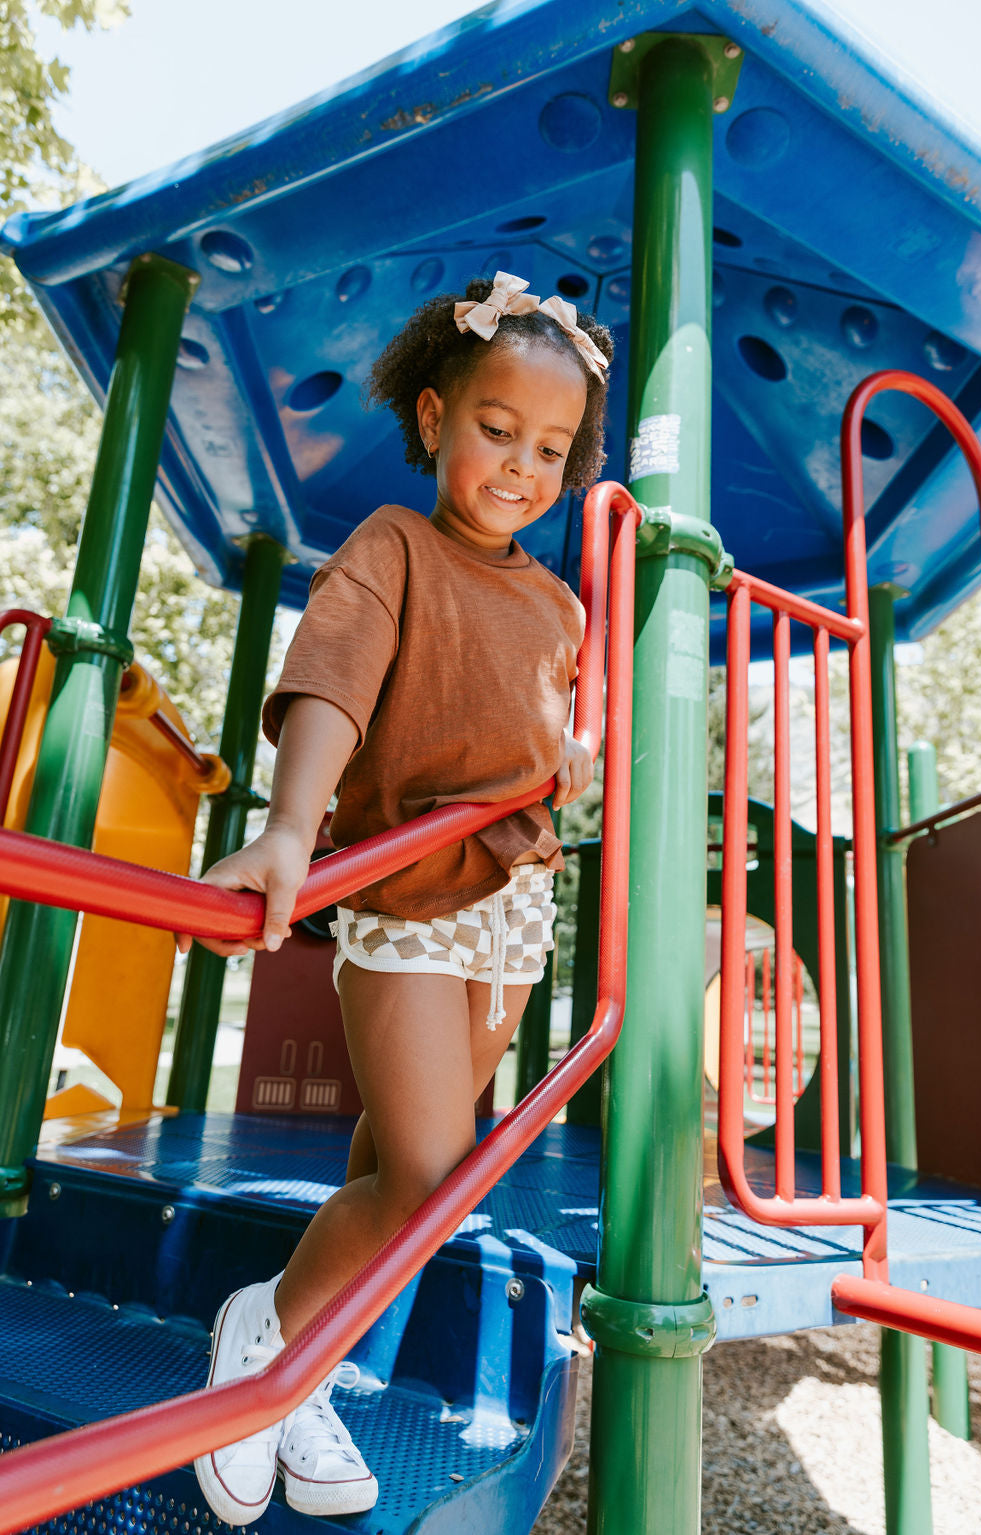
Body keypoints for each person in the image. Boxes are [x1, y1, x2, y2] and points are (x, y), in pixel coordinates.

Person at [177, 271, 613, 1523]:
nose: (519, 466)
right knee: (429, 1174)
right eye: (494, 430)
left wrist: (563, 758)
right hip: (405, 904)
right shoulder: (394, 547)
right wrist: (285, 830)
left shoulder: (560, 602)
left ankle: (296, 1359)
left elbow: (529, 736)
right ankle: (268, 1344)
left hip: (511, 908)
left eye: (548, 448)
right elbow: (334, 685)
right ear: (433, 418)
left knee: (390, 1160)